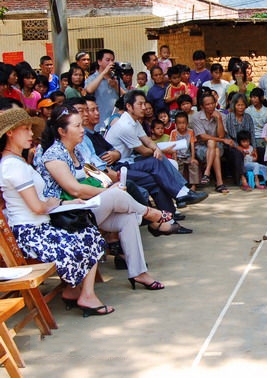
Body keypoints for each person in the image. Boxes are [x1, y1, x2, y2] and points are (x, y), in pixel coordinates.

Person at [37, 106, 170, 291]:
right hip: (66, 214)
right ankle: (150, 214)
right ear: (62, 131)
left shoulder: (77, 151)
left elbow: (94, 175)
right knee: (115, 194)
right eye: (77, 126)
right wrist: (109, 192)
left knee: (128, 218)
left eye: (82, 125)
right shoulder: (54, 154)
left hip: (85, 209)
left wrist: (110, 184)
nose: (83, 129)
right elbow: (74, 189)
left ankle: (138, 272)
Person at [0, 107, 113, 317]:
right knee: (88, 235)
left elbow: (39, 204)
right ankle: (84, 295)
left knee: (87, 232)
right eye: (25, 129)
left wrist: (63, 202)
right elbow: (37, 207)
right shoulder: (12, 166)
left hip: (37, 227)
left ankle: (75, 291)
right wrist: (55, 202)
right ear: (10, 133)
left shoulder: (15, 162)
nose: (31, 134)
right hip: (31, 234)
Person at [104, 90, 207, 217]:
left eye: (144, 104)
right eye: (140, 104)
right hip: (119, 165)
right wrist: (158, 149)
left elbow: (147, 141)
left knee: (158, 160)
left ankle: (179, 199)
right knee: (156, 164)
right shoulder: (125, 125)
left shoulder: (135, 122)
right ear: (129, 107)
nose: (144, 108)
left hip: (129, 160)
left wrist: (156, 149)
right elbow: (143, 150)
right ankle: (180, 195)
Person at [191, 92, 232, 193]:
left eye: (212, 103)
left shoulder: (221, 115)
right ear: (202, 106)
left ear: (215, 103)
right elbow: (202, 136)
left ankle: (207, 172)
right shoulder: (197, 117)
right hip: (201, 148)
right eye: (207, 104)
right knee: (212, 144)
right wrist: (222, 140)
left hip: (217, 147)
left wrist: (219, 119)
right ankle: (220, 183)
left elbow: (221, 134)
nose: (210, 106)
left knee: (213, 144)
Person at [85, 49, 125, 127]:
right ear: (99, 62)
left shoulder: (116, 78)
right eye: (107, 60)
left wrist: (116, 86)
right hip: (100, 121)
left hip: (116, 120)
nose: (111, 63)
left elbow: (126, 96)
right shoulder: (92, 78)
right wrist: (104, 73)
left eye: (112, 60)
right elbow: (89, 90)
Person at [170, 111, 200, 191]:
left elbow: (192, 145)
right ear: (176, 124)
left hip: (188, 155)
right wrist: (175, 159)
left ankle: (194, 185)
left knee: (194, 165)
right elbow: (173, 147)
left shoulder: (190, 132)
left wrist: (193, 158)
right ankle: (181, 185)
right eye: (179, 123)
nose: (182, 125)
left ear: (187, 123)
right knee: (178, 168)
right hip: (178, 156)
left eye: (184, 123)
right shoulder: (174, 133)